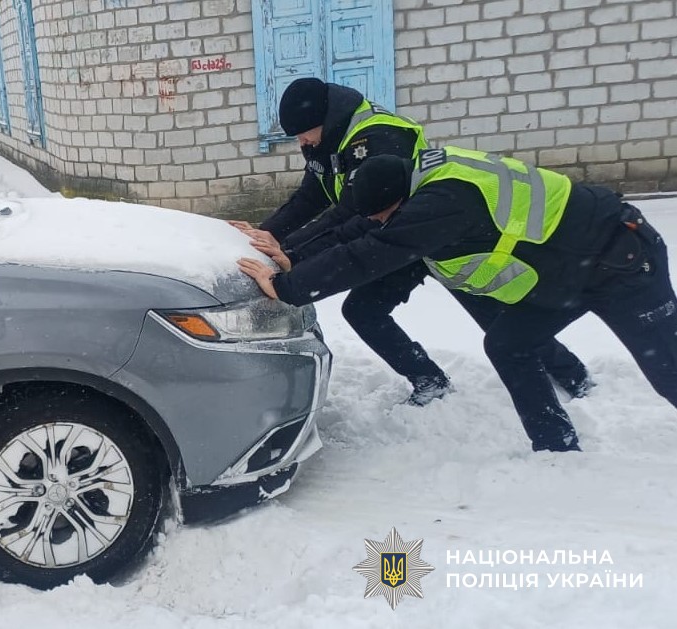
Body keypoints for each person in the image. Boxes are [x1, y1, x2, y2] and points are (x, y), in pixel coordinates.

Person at [239, 147, 677, 452]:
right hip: (564, 272)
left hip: (622, 259)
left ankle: (560, 433)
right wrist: (293, 257)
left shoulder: (442, 202)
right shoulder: (419, 180)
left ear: (398, 201)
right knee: (508, 343)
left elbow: (368, 254)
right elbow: (365, 231)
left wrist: (288, 289)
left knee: (667, 370)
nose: (377, 221)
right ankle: (555, 447)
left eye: (382, 214)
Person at [231, 77, 590, 406]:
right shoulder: (327, 140)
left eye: (303, 134)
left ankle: (573, 376)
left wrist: (296, 256)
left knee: (491, 315)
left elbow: (355, 212)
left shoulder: (380, 136)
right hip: (389, 237)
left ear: (324, 118)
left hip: (427, 234)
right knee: (364, 311)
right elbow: (310, 197)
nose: (301, 143)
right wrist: (270, 234)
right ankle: (430, 381)